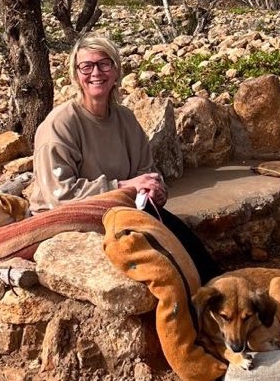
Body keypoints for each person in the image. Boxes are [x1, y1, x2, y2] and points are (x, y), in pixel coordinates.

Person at [29, 33, 219, 283]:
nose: (96, 72)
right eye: (86, 66)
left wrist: (155, 190)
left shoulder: (126, 119)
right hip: (70, 220)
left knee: (193, 252)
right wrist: (124, 187)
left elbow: (146, 171)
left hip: (123, 211)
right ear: (76, 75)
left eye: (104, 64)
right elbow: (60, 196)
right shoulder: (60, 124)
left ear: (116, 71)